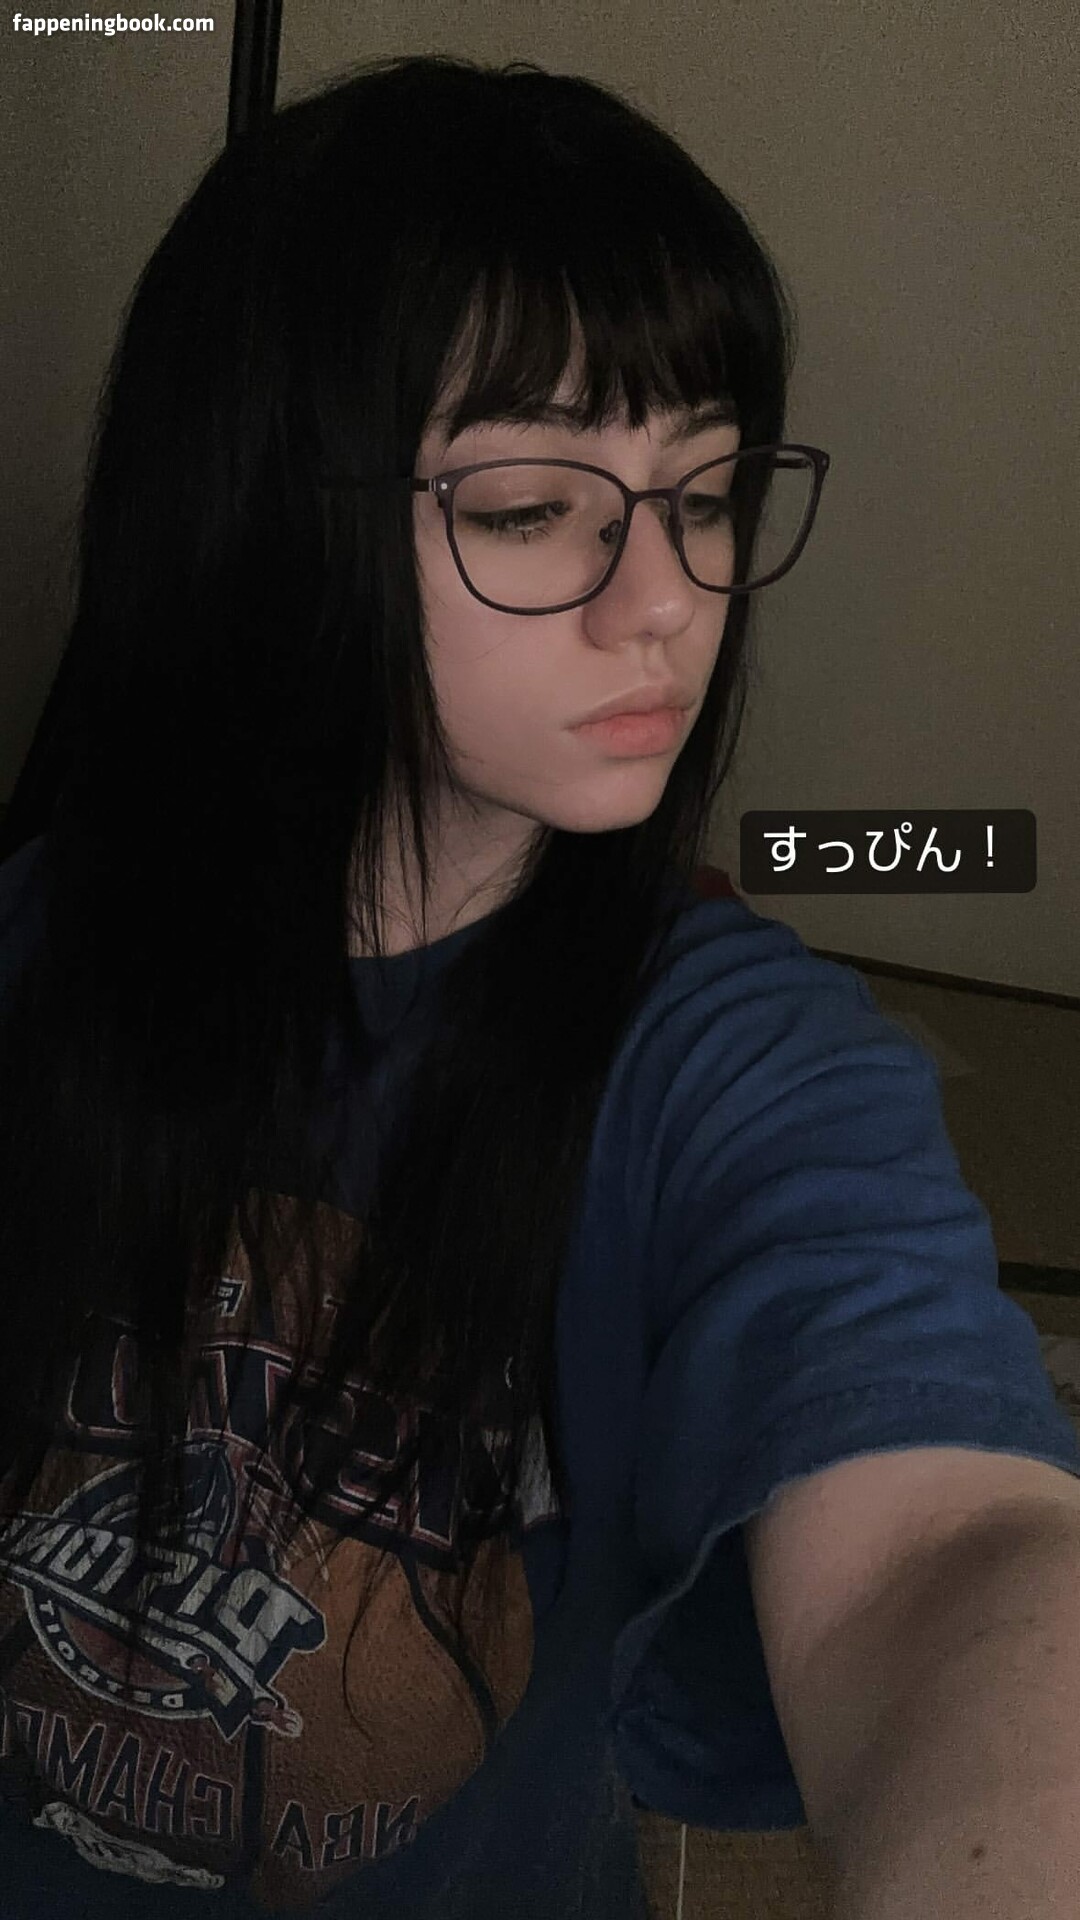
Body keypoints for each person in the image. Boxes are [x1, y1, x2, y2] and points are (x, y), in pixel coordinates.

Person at [0, 51, 1076, 1920]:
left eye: (709, 494)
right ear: (266, 509)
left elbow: (949, 1552)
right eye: (529, 507)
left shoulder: (740, 1065)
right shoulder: (32, 949)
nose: (667, 598)